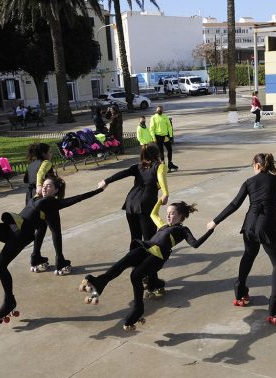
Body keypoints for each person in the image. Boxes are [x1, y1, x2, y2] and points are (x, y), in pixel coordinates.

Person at [0, 177, 105, 323]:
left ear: (55, 190)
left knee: (0, 266)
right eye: (44, 185)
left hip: (18, 237)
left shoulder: (51, 202)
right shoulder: (37, 196)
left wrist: (98, 189)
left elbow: (76, 199)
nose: (45, 188)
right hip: (10, 228)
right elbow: (37, 218)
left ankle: (9, 300)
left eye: (49, 186)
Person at [79, 198, 214, 331]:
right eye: (167, 212)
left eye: (172, 213)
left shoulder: (183, 230)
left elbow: (195, 244)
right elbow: (153, 214)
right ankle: (99, 282)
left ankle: (138, 308)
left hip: (157, 257)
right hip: (145, 248)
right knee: (124, 261)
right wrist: (159, 202)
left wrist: (210, 230)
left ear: (181, 216)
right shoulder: (163, 226)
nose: (167, 215)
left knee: (135, 276)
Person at [207, 153, 276, 325]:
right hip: (269, 226)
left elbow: (234, 204)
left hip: (250, 226)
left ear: (256, 165)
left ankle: (240, 291)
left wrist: (215, 221)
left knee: (249, 254)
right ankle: (275, 305)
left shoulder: (248, 182)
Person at [97, 144, 169, 296]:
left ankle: (138, 272)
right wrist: (165, 193)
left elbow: (122, 173)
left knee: (136, 240)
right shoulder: (159, 166)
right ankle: (152, 281)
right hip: (145, 207)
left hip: (130, 205)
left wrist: (106, 181)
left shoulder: (137, 167)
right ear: (157, 154)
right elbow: (162, 180)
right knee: (151, 244)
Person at [23, 143, 55, 271]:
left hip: (30, 197)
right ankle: (35, 255)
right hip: (40, 196)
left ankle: (36, 255)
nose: (51, 154)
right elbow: (49, 180)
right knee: (43, 226)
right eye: (50, 151)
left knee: (40, 226)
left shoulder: (31, 164)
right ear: (44, 153)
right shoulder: (45, 163)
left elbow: (25, 180)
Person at [149, 105, 178, 172]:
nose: (159, 111)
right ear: (156, 110)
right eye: (158, 110)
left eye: (161, 110)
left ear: (162, 110)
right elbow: (151, 128)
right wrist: (153, 137)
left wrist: (170, 136)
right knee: (161, 151)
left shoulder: (165, 117)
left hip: (165, 136)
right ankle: (163, 166)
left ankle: (170, 163)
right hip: (157, 136)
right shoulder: (153, 118)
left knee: (169, 149)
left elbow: (169, 127)